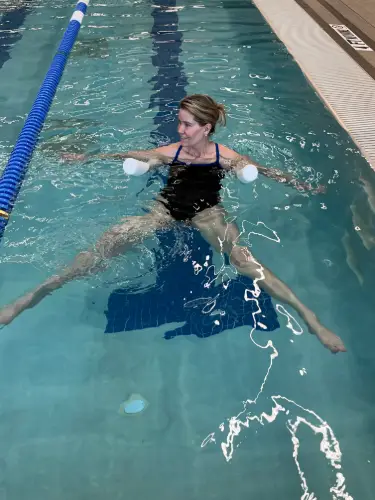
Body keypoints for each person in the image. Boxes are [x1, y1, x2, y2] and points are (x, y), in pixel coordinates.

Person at [0, 94, 345, 353]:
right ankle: (30, 297)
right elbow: (134, 155)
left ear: (206, 128)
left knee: (243, 259)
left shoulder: (226, 157)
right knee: (104, 246)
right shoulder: (174, 151)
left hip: (207, 214)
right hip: (163, 210)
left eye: (187, 125)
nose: (180, 130)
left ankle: (310, 319)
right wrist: (88, 157)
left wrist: (300, 184)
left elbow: (265, 171)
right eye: (179, 123)